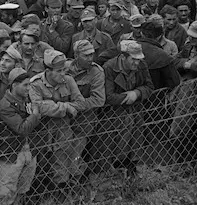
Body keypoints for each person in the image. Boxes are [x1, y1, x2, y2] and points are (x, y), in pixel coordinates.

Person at [28, 49, 86, 201]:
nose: (63, 74)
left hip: (64, 129)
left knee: (62, 163)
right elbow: (38, 106)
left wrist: (52, 107)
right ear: (48, 71)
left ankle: (61, 197)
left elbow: (80, 103)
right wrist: (65, 107)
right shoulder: (36, 84)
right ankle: (37, 198)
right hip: (41, 130)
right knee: (40, 164)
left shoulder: (68, 81)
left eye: (65, 70)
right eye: (59, 71)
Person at [0, 67, 42, 205]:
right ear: (14, 85)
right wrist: (35, 114)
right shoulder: (5, 105)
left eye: (29, 85)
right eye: (25, 85)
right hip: (11, 152)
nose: (28, 88)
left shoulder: (26, 99)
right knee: (5, 190)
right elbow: (22, 128)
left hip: (29, 149)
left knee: (23, 187)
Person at [100, 39, 154, 185]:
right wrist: (126, 97)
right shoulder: (109, 68)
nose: (137, 63)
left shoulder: (142, 66)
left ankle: (132, 168)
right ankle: (114, 170)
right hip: (114, 113)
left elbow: (149, 86)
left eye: (139, 60)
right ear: (123, 57)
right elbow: (108, 96)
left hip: (136, 110)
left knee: (136, 139)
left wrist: (137, 93)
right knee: (114, 143)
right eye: (133, 60)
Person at [65, 39, 106, 181]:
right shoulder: (65, 68)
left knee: (75, 156)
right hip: (63, 121)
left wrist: (74, 106)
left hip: (83, 122)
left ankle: (75, 185)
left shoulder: (96, 72)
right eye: (86, 55)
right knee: (59, 155)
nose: (90, 58)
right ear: (76, 56)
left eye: (92, 55)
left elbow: (98, 99)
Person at [137, 17, 181, 90]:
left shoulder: (130, 48)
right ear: (160, 36)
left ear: (141, 33)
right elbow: (175, 82)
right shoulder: (163, 56)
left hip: (130, 96)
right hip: (156, 96)